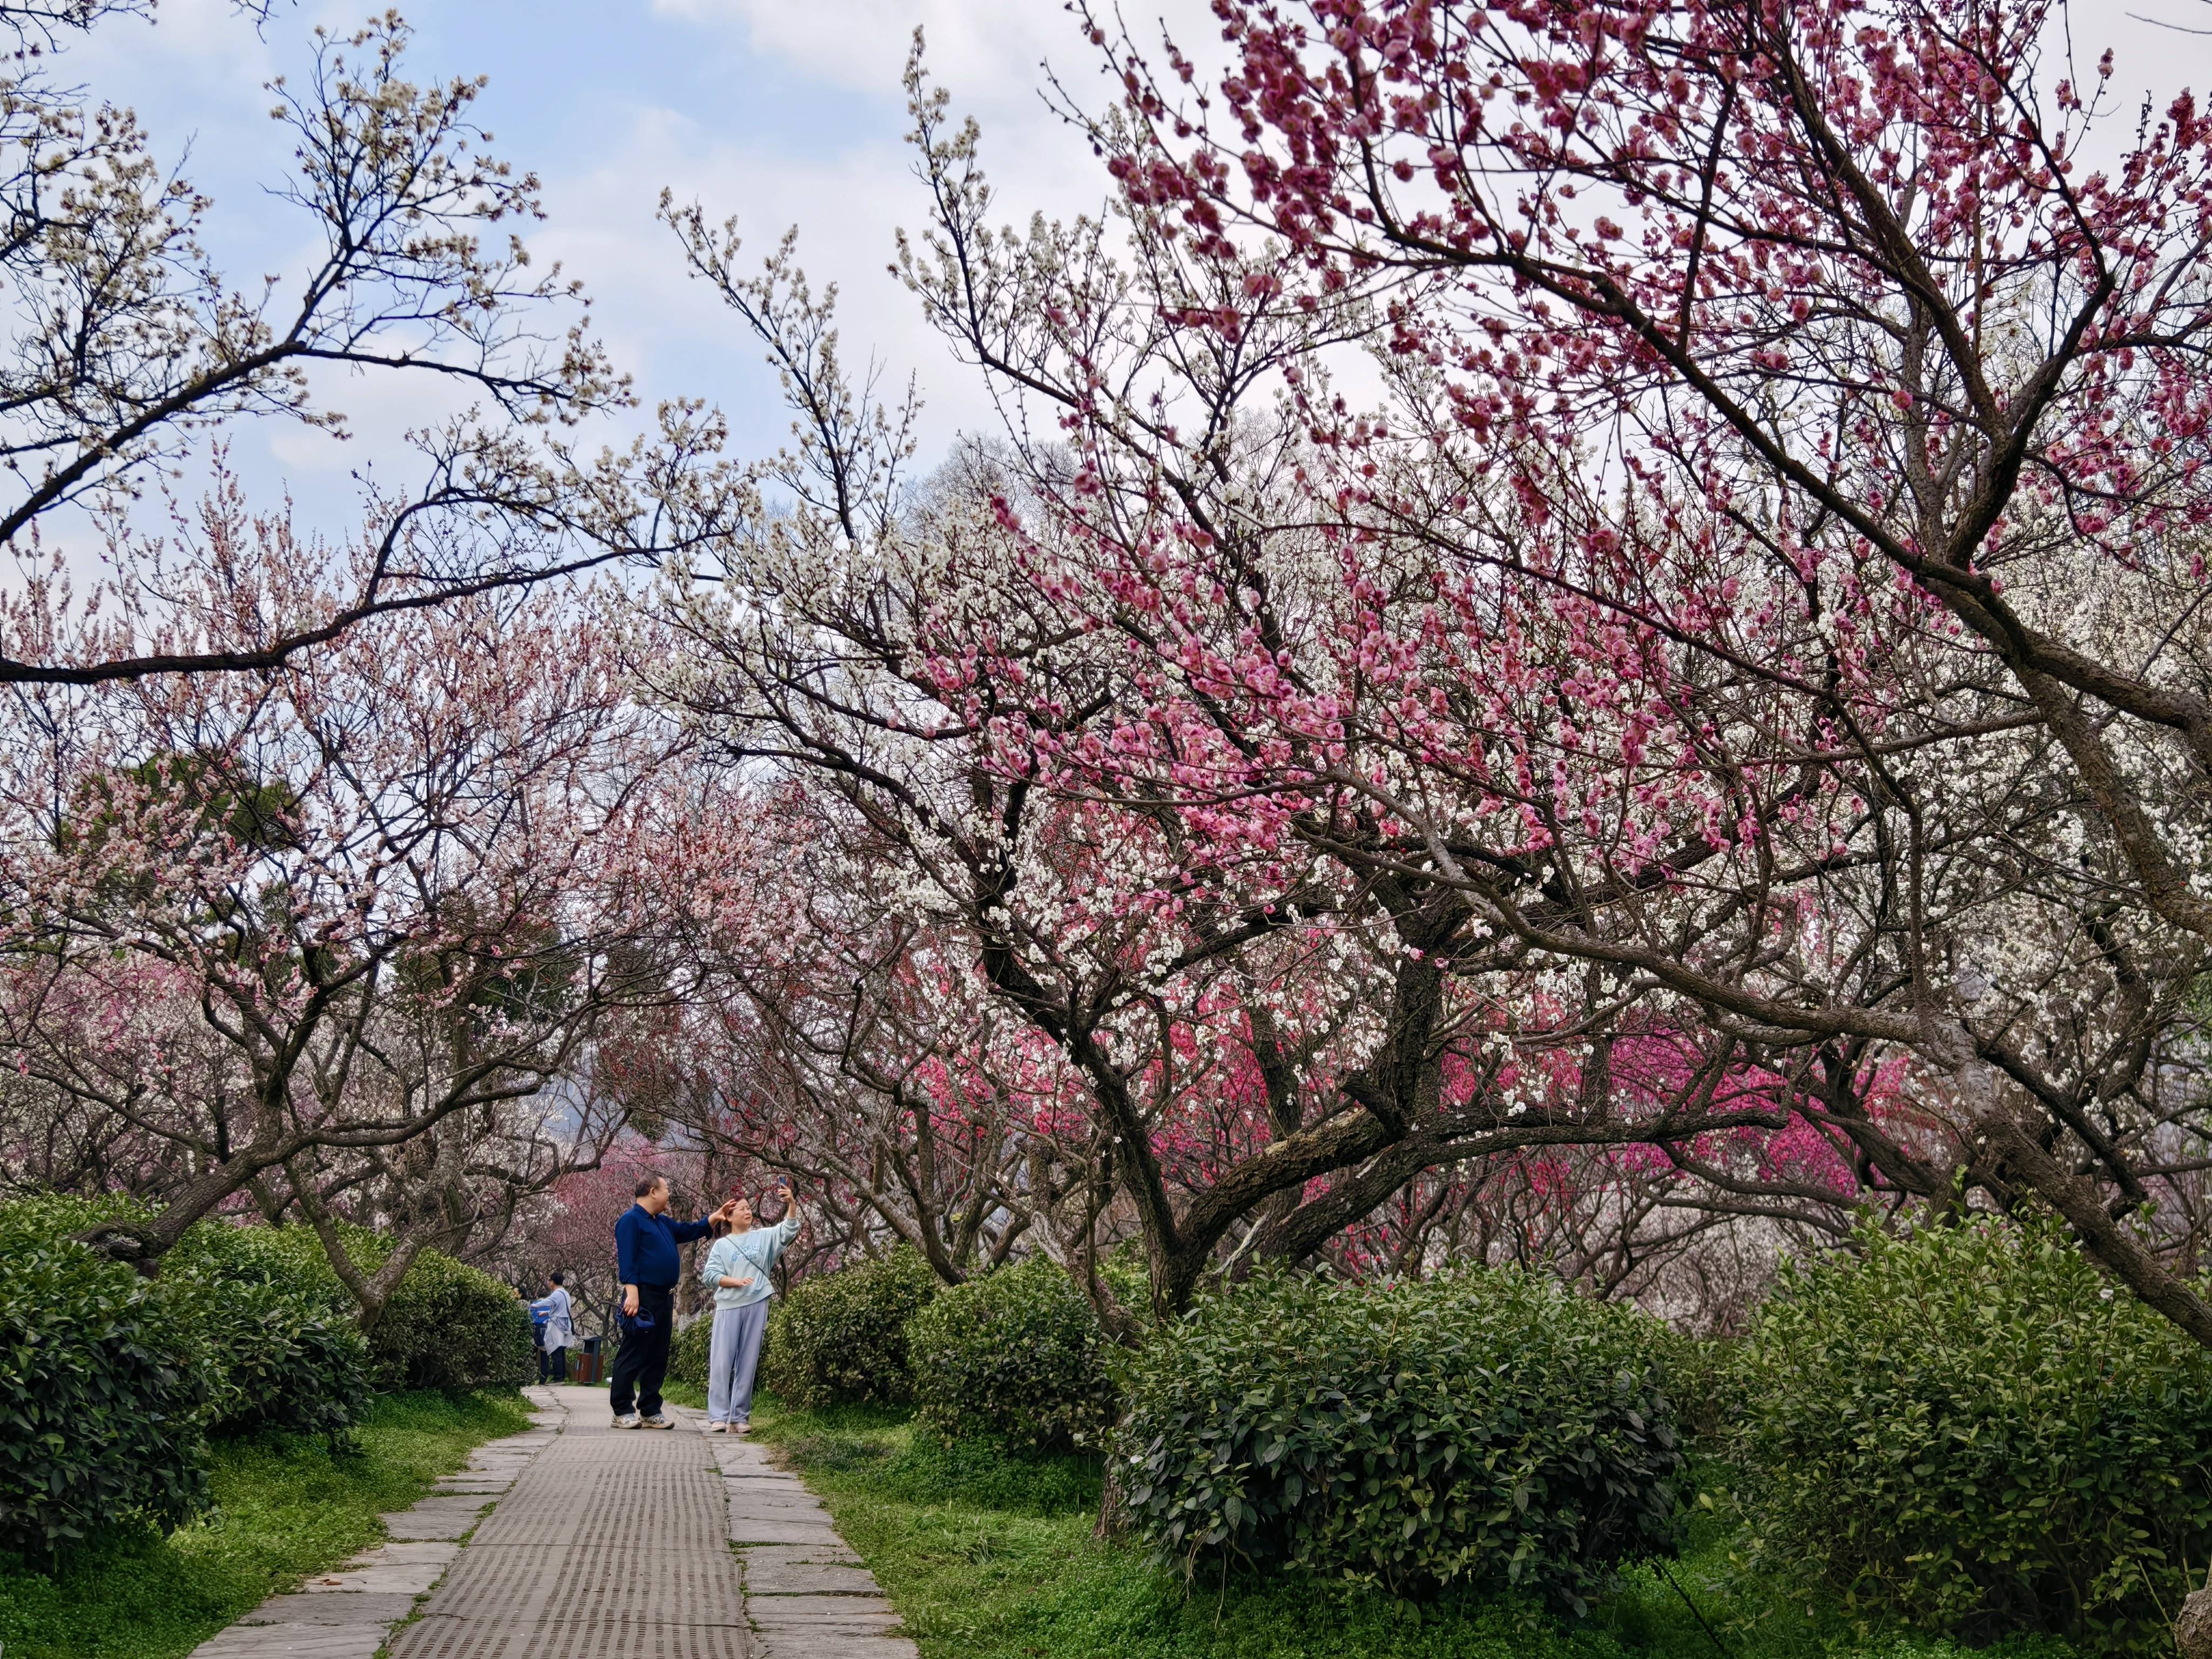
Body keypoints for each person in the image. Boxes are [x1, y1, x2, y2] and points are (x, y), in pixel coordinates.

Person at [611, 1174, 736, 1429]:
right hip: (641, 1296)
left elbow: (689, 1231)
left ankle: (650, 1408)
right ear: (653, 1191)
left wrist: (715, 1216)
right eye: (667, 1189)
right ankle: (622, 1409)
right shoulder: (630, 1221)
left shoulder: (663, 1223)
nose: (670, 1194)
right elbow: (627, 1259)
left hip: (664, 1297)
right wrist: (631, 1291)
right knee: (633, 1352)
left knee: (658, 1355)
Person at [699, 1180, 801, 1435]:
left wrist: (792, 1204)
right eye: (741, 1209)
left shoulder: (762, 1238)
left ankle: (739, 1417)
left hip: (757, 1302)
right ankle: (719, 1417)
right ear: (729, 1217)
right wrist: (733, 1281)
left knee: (748, 1361)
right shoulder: (722, 1245)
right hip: (728, 1306)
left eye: (748, 1208)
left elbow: (788, 1231)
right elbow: (709, 1275)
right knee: (722, 1361)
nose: (747, 1212)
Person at [529, 1272, 577, 1384]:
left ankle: (558, 1378)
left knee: (556, 1351)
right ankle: (560, 1377)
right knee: (560, 1351)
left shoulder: (557, 1294)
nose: (549, 1282)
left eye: (550, 1280)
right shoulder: (565, 1294)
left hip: (557, 1325)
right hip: (565, 1325)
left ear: (553, 1282)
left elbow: (548, 1302)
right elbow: (560, 1309)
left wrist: (534, 1305)